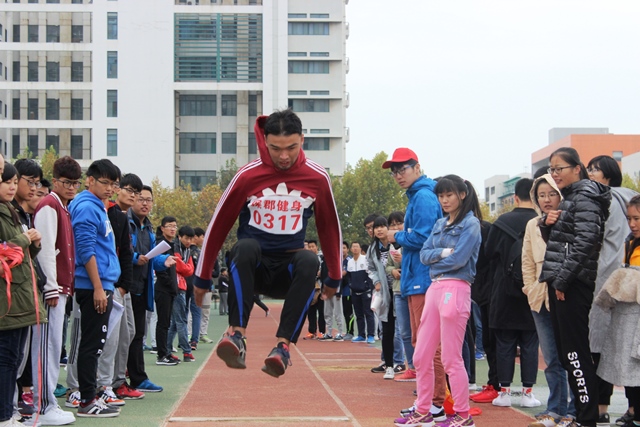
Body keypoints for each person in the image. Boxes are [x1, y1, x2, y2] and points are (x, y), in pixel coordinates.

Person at [193, 109, 343, 378]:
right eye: (275, 149)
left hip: (289, 273)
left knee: (310, 258)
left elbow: (329, 227)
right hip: (254, 269)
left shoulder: (317, 178)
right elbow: (218, 225)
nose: (284, 156)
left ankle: (283, 348)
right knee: (245, 246)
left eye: (291, 148)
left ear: (302, 141)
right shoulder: (247, 176)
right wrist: (202, 278)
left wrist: (334, 276)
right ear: (264, 141)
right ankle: (237, 336)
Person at [396, 174, 481, 427]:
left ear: (462, 195)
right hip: (435, 286)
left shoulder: (471, 224)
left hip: (456, 289)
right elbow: (424, 255)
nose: (444, 200)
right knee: (421, 354)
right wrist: (444, 252)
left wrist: (439, 257)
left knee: (451, 358)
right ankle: (423, 410)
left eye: (449, 195)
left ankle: (463, 415)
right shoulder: (440, 224)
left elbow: (460, 259)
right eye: (441, 196)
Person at [539, 147, 611, 427]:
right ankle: (581, 416)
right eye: (552, 169)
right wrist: (547, 225)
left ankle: (586, 417)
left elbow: (586, 242)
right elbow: (562, 243)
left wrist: (563, 279)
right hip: (563, 281)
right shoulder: (570, 198)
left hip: (572, 284)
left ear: (577, 168)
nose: (555, 174)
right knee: (568, 353)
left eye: (560, 168)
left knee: (575, 353)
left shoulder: (586, 197)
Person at [384, 148, 446, 420]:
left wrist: (396, 234)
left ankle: (434, 404)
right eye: (394, 171)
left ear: (417, 167)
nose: (398, 175)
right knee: (422, 343)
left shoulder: (422, 196)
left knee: (428, 344)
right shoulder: (420, 195)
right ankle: (429, 401)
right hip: (417, 277)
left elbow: (423, 238)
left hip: (424, 279)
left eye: (403, 169)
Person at [586, 155, 638, 426]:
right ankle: (624, 409)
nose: (591, 173)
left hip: (609, 287)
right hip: (621, 291)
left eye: (596, 169)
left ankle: (605, 407)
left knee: (604, 350)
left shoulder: (603, 200)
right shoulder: (628, 201)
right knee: (622, 352)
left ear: (608, 175)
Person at [68, 159, 122, 418]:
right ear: (90, 180)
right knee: (92, 344)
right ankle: (87, 399)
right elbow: (86, 249)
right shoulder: (88, 207)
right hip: (93, 286)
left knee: (95, 344)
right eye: (105, 182)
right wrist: (98, 288)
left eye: (114, 184)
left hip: (100, 283)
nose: (110, 188)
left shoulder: (97, 207)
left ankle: (90, 395)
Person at [31, 156, 82, 426]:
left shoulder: (63, 207)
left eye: (75, 183)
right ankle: (43, 406)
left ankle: (47, 402)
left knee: (53, 347)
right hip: (52, 289)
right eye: (66, 182)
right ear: (56, 180)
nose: (72, 187)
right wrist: (51, 286)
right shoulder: (50, 205)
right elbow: (46, 251)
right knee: (47, 349)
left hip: (62, 287)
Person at [522, 173, 575, 427]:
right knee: (552, 357)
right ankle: (555, 408)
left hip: (566, 292)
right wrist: (531, 288)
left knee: (572, 355)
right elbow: (527, 260)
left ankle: (574, 410)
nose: (546, 199)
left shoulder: (571, 219)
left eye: (551, 193)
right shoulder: (532, 224)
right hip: (539, 296)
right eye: (541, 195)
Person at [486, 178, 541, 408]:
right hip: (534, 292)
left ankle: (505, 392)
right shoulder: (541, 222)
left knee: (505, 344)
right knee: (530, 343)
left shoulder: (501, 223)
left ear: (515, 197)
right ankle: (528, 393)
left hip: (505, 293)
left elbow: (488, 254)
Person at [0, 162, 46, 427]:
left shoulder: (11, 212)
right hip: (9, 298)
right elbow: (6, 253)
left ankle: (9, 412)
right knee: (7, 358)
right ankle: (5, 414)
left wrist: (33, 244)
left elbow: (19, 256)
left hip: (21, 294)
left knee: (14, 357)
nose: (12, 186)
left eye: (14, 181)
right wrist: (24, 241)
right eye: (7, 181)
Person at [594, 195, 640, 427]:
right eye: (630, 218)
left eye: (637, 218)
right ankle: (633, 409)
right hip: (626, 313)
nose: (632, 224)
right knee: (627, 363)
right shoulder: (629, 242)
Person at [128, 185, 173, 386]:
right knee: (123, 337)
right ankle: (115, 380)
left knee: (138, 334)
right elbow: (121, 252)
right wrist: (135, 258)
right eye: (141, 199)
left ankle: (138, 378)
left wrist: (162, 261)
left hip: (142, 287)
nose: (145, 203)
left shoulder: (148, 228)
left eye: (149, 200)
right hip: (124, 286)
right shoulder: (124, 222)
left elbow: (150, 257)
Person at [366, 216, 396, 379]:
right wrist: (376, 280)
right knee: (387, 329)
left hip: (400, 290)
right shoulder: (372, 249)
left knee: (406, 331)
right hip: (385, 293)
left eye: (382, 226)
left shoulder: (397, 244)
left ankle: (409, 365)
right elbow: (370, 268)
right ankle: (389, 365)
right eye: (375, 227)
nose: (378, 230)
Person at [347, 241, 375, 344]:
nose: (355, 248)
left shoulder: (365, 259)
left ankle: (371, 335)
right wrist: (351, 285)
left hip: (365, 291)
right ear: (351, 249)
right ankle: (361, 335)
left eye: (357, 247)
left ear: (360, 249)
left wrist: (367, 286)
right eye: (353, 247)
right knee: (358, 314)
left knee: (368, 313)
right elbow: (349, 276)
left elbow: (370, 274)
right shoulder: (349, 262)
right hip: (355, 292)